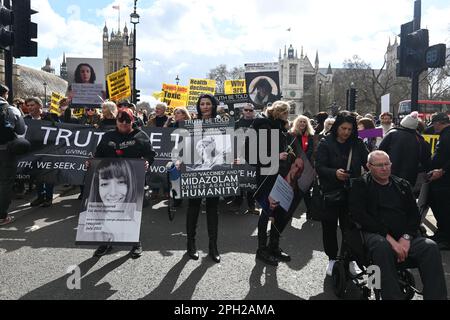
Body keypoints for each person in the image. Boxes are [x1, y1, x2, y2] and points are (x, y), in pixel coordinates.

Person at [349, 150, 447, 300]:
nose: (384, 168)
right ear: (369, 166)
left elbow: (414, 216)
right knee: (382, 247)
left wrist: (406, 237)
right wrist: (391, 240)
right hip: (375, 234)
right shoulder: (360, 185)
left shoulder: (402, 185)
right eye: (379, 165)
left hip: (403, 235)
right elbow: (361, 217)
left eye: (387, 164)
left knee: (430, 247)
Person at [90, 107, 155, 258]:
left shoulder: (140, 136)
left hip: (132, 179)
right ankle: (106, 242)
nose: (124, 123)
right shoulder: (108, 136)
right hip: (111, 178)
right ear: (116, 121)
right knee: (108, 211)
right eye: (121, 120)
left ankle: (135, 242)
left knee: (132, 211)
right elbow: (98, 155)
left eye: (127, 120)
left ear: (132, 121)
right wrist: (91, 162)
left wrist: (146, 162)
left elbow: (150, 154)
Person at [315, 111, 369, 276]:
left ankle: (351, 259)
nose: (346, 132)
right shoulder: (325, 143)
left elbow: (367, 163)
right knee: (329, 228)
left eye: (349, 129)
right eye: (343, 128)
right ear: (337, 127)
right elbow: (319, 167)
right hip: (330, 192)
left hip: (353, 193)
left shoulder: (358, 143)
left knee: (351, 228)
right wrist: (334, 173)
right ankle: (332, 259)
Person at [252, 101, 292, 266]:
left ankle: (273, 247)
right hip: (267, 175)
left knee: (279, 211)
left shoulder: (279, 127)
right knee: (268, 210)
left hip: (279, 174)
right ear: (279, 112)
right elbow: (256, 154)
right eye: (285, 113)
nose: (287, 116)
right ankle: (262, 250)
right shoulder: (263, 126)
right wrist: (277, 155)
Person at [185, 94, 222, 263]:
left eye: (208, 104)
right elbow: (183, 146)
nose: (205, 107)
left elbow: (227, 145)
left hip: (215, 171)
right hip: (194, 171)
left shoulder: (222, 123)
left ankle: (213, 247)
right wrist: (180, 159)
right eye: (202, 104)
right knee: (193, 207)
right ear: (198, 106)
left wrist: (233, 158)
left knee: (213, 209)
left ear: (213, 106)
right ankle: (190, 244)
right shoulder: (192, 124)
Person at [379, 111, 431, 187]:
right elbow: (362, 134)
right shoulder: (379, 129)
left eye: (388, 118)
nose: (386, 120)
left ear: (392, 119)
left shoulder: (392, 131)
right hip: (408, 174)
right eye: (383, 118)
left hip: (394, 171)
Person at [0, 84, 26, 226]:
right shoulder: (11, 109)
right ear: (6, 94)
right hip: (6, 151)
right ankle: (2, 216)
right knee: (5, 182)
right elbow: (21, 130)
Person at [24, 97, 56, 207]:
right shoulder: (26, 119)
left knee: (48, 175)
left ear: (39, 106)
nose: (30, 108)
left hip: (48, 151)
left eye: (32, 105)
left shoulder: (50, 117)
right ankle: (40, 196)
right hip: (33, 152)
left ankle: (48, 197)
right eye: (28, 106)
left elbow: (60, 130)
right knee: (37, 175)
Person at [428, 113, 450, 250]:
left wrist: (443, 170)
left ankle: (446, 238)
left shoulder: (447, 136)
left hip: (444, 181)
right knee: (439, 207)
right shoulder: (445, 135)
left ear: (438, 123)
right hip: (441, 179)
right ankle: (441, 234)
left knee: (444, 209)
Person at [233, 103, 259, 215]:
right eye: (246, 110)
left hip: (253, 155)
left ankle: (251, 206)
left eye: (250, 110)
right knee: (238, 179)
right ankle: (237, 204)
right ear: (242, 111)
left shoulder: (257, 123)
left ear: (253, 112)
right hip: (239, 155)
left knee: (251, 180)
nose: (248, 112)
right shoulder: (236, 124)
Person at [290, 115, 315, 218]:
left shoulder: (310, 135)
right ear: (297, 123)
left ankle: (310, 212)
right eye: (300, 121)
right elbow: (290, 149)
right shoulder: (292, 134)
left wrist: (304, 159)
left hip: (307, 166)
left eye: (304, 122)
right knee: (293, 189)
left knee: (306, 190)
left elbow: (311, 149)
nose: (302, 123)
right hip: (294, 165)